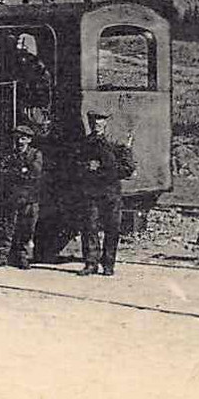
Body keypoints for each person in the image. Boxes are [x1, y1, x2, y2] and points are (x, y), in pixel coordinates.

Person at [78, 110, 134, 277]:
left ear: (106, 123)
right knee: (89, 227)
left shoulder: (115, 143)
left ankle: (108, 264)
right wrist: (86, 167)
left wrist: (105, 170)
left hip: (111, 193)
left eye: (101, 121)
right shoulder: (85, 144)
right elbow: (75, 164)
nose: (97, 124)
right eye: (94, 122)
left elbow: (128, 168)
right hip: (91, 193)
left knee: (112, 229)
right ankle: (90, 263)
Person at [0, 124, 42, 269]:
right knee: (8, 227)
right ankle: (2, 256)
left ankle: (22, 256)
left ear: (29, 140)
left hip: (29, 199)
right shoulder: (10, 155)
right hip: (13, 197)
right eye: (17, 138)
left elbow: (35, 173)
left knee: (27, 228)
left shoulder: (36, 154)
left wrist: (17, 172)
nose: (20, 142)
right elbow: (2, 171)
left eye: (23, 139)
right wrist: (22, 170)